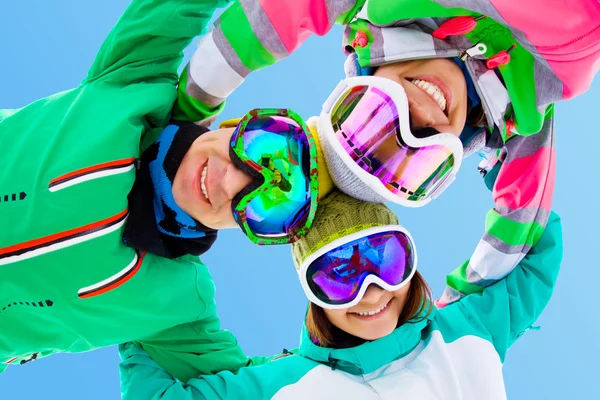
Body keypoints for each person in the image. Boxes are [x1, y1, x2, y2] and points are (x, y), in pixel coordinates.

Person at [0, 0, 326, 382]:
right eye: (258, 149)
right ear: (231, 125)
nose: (230, 183)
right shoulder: (135, 82)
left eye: (267, 208)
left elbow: (242, 389)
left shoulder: (178, 305)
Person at [176, 0, 583, 305]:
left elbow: (278, 15)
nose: (420, 116)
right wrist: (456, 307)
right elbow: (523, 215)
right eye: (421, 156)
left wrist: (191, 106)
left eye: (375, 116)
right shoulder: (532, 101)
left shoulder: (384, 8)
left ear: (363, 78)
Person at [118, 189, 563, 399]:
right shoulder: (278, 386)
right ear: (313, 294)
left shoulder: (466, 328)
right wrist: (128, 305)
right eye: (338, 276)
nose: (370, 293)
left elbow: (533, 244)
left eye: (384, 261)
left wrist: (496, 157)